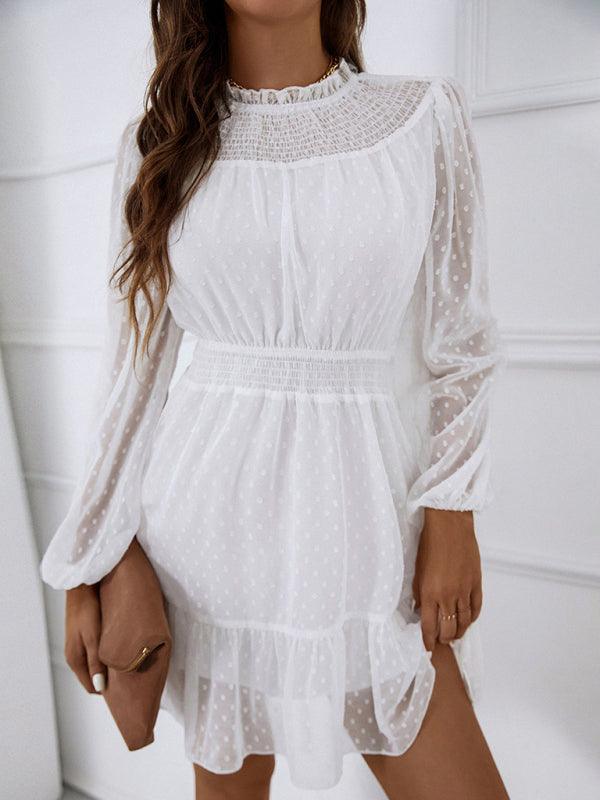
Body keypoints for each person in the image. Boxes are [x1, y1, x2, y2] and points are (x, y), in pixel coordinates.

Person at [40, 1, 509, 798]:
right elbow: (131, 377)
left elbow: (462, 341)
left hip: (372, 534)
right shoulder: (158, 147)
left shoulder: (422, 118)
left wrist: (452, 511)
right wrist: (85, 566)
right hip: (206, 539)